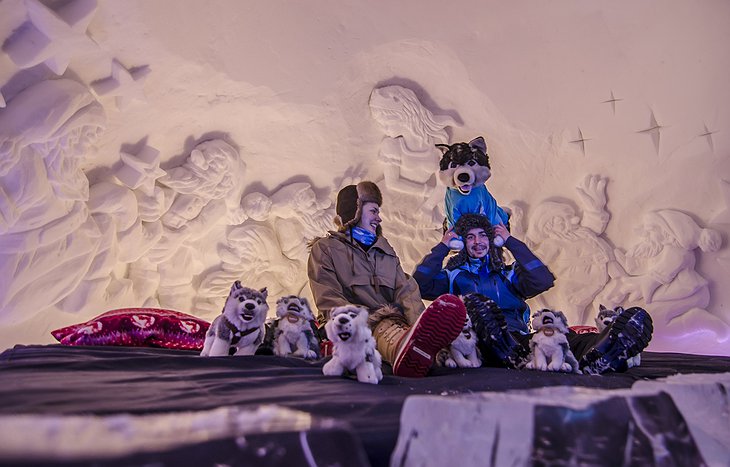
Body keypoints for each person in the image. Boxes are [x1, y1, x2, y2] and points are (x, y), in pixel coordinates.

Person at [413, 213, 653, 374]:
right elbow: (420, 284)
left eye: (483, 235)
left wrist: (510, 242)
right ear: (461, 244)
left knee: (627, 319)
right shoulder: (453, 276)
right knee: (476, 306)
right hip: (480, 345)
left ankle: (600, 355)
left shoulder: (508, 274)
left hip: (519, 340)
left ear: (492, 240)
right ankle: (508, 354)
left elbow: (542, 280)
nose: (478, 242)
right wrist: (443, 247)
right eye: (470, 237)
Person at [308, 181, 465, 378]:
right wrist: (361, 326)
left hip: (394, 321)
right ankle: (405, 350)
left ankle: (424, 345)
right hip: (355, 326)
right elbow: (328, 297)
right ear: (353, 213)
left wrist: (419, 324)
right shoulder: (326, 249)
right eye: (373, 211)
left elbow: (406, 290)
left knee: (398, 326)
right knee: (385, 330)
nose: (379, 218)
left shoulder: (385, 250)